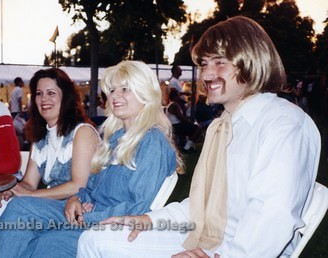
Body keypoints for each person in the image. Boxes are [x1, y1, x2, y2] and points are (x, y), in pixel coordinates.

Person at [77, 16, 321, 258]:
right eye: (204, 64)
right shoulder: (223, 126)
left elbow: (273, 217)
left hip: (243, 250)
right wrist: (147, 219)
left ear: (251, 61)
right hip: (205, 236)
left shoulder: (284, 124)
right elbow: (200, 206)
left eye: (219, 63)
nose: (206, 75)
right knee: (95, 239)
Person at [0, 60, 182, 257]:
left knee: (49, 242)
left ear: (146, 93)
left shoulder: (152, 142)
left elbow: (139, 206)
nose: (114, 96)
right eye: (112, 90)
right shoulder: (116, 138)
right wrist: (77, 199)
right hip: (87, 212)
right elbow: (89, 185)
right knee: (20, 207)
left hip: (106, 223)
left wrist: (89, 215)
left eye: (125, 89)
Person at [0, 68, 99, 225]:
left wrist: (30, 195)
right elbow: (29, 183)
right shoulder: (39, 136)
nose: (44, 99)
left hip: (80, 207)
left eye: (51, 93)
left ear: (65, 97)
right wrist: (12, 190)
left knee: (20, 207)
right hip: (53, 205)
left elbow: (79, 185)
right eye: (39, 93)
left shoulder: (83, 132)